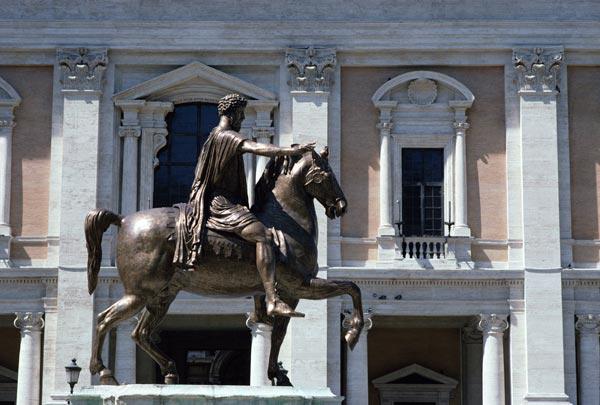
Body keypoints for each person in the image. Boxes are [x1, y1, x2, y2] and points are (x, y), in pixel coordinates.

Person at [173, 93, 314, 318]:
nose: (242, 119)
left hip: (218, 200)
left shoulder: (213, 136)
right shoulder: (226, 136)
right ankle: (271, 299)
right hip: (221, 204)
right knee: (263, 236)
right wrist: (289, 151)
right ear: (234, 113)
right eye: (241, 114)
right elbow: (257, 148)